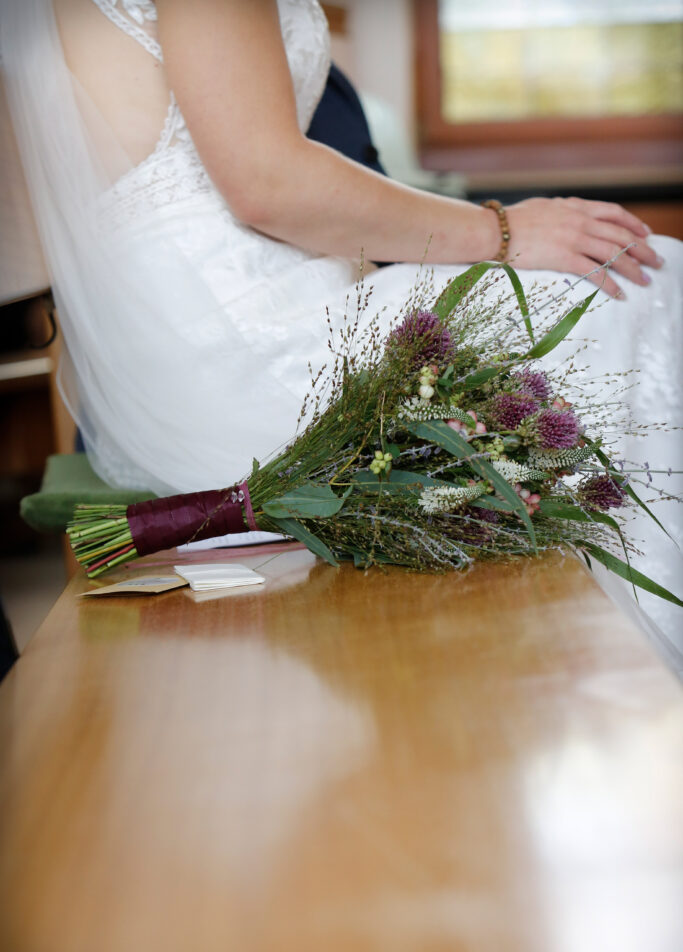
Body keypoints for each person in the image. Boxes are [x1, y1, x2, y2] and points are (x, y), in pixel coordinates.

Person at [2, 0, 681, 656]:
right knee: (641, 282)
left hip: (178, 363)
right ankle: (637, 670)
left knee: (625, 274)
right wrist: (501, 231)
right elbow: (265, 181)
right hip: (250, 347)